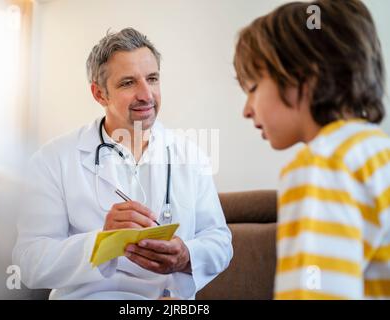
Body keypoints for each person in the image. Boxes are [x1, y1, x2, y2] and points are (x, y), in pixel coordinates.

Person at [13, 27, 232, 300]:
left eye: (152, 79)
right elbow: (30, 262)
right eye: (128, 83)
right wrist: (102, 242)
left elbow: (220, 241)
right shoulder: (53, 159)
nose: (146, 94)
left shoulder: (190, 155)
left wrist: (186, 256)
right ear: (99, 94)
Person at [234, 0, 389, 299]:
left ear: (303, 76)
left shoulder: (321, 166)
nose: (246, 110)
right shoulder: (378, 151)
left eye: (252, 87)